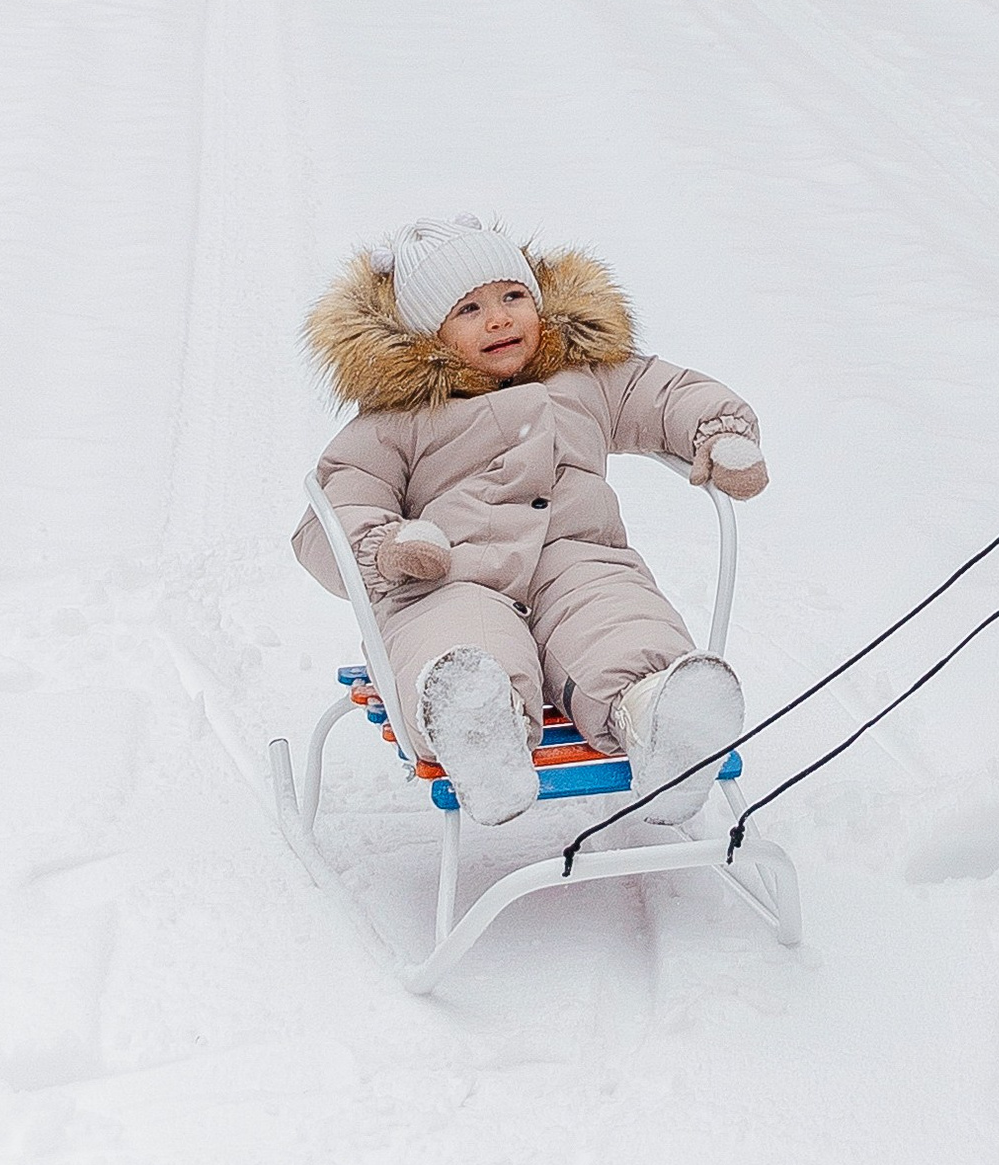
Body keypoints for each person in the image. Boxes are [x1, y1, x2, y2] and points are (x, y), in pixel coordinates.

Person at [295, 213, 767, 826]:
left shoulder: (584, 378)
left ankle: (662, 716)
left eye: (513, 297)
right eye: (468, 309)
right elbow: (335, 508)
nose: (499, 318)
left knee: (615, 616)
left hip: (577, 555)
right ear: (426, 334)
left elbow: (666, 392)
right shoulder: (399, 417)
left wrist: (721, 433)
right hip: (449, 572)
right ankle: (480, 727)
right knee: (459, 639)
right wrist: (384, 548)